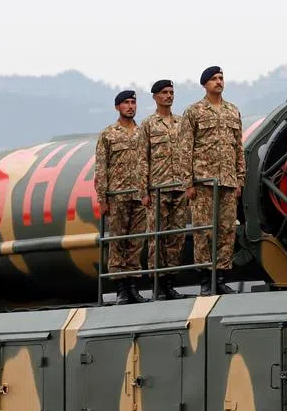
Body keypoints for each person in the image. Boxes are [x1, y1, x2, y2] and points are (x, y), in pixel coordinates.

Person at [175, 65, 244, 295]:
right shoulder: (194, 112)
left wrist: (239, 180)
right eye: (214, 78)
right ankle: (206, 280)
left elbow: (238, 149)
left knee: (226, 230)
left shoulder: (232, 111)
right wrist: (188, 183)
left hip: (227, 181)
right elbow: (185, 149)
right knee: (204, 232)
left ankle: (220, 276)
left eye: (221, 78)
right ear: (205, 84)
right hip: (203, 182)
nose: (219, 81)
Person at [94, 89, 148, 304]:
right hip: (117, 196)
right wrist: (102, 198)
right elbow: (101, 168)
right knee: (118, 242)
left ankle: (133, 286)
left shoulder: (143, 132)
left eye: (133, 102)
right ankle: (120, 289)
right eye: (126, 103)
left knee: (136, 242)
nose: (130, 106)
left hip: (139, 195)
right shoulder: (108, 134)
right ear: (118, 107)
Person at [138, 78, 186, 300]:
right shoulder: (148, 124)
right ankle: (157, 283)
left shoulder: (181, 122)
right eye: (164, 93)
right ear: (155, 96)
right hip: (157, 188)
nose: (169, 96)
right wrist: (143, 191)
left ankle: (170, 282)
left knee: (176, 237)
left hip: (179, 187)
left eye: (171, 92)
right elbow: (142, 159)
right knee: (156, 238)